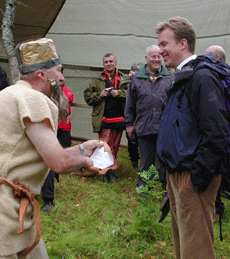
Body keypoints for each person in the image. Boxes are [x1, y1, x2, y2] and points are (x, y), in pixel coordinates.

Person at [0, 38, 104, 258]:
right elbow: (59, 162)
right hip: (5, 213)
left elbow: (37, 151)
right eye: (58, 71)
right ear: (42, 75)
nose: (62, 78)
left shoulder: (7, 94)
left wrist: (83, 149)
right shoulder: (33, 98)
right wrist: (90, 162)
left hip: (13, 209)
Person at [156, 17, 230, 259]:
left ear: (183, 43)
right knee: (184, 247)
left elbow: (217, 132)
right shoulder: (182, 77)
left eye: (165, 43)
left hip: (193, 177)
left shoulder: (202, 77)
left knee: (196, 250)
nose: (160, 50)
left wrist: (196, 178)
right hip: (178, 174)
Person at [125, 45, 172, 188]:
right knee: (146, 162)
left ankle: (166, 191)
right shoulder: (137, 79)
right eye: (153, 56)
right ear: (146, 58)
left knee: (165, 162)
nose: (156, 59)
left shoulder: (170, 78)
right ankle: (144, 190)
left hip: (165, 129)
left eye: (159, 56)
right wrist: (129, 124)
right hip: (144, 127)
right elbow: (130, 102)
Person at [83, 53, 130, 183]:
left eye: (110, 61)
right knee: (105, 147)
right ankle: (106, 172)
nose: (108, 64)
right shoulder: (97, 80)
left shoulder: (124, 79)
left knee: (114, 146)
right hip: (103, 119)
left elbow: (132, 94)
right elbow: (87, 97)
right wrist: (100, 94)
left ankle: (112, 171)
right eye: (106, 62)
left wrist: (119, 93)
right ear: (103, 64)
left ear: (115, 62)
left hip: (119, 119)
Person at [41, 72, 74, 212]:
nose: (61, 78)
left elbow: (67, 101)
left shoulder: (61, 92)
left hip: (55, 129)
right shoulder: (37, 91)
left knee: (50, 162)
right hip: (41, 128)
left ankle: (48, 199)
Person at [205, 45, 229, 222]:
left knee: (219, 171)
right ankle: (216, 208)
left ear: (218, 58)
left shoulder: (218, 77)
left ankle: (217, 209)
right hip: (221, 132)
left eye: (208, 56)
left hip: (222, 132)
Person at [126, 62, 144, 169]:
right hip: (132, 116)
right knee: (131, 140)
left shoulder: (146, 81)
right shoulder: (128, 82)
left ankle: (144, 162)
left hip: (143, 117)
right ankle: (134, 161)